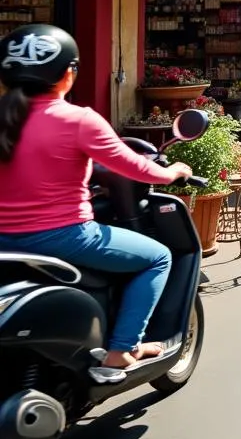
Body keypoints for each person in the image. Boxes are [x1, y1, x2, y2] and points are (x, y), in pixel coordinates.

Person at [0, 24, 193, 376]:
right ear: (67, 75)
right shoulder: (77, 119)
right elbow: (134, 166)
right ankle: (122, 349)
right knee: (158, 257)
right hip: (64, 236)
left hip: (5, 242)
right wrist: (174, 172)